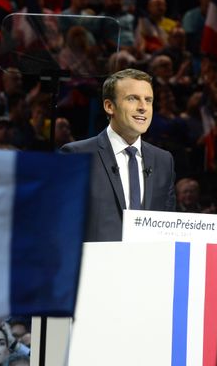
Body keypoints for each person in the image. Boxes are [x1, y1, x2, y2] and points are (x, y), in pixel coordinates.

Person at [61, 68, 176, 242]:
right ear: (109, 106)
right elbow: (64, 222)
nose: (143, 107)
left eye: (148, 100)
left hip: (147, 265)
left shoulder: (163, 161)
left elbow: (168, 225)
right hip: (95, 265)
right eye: (132, 99)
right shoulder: (77, 155)